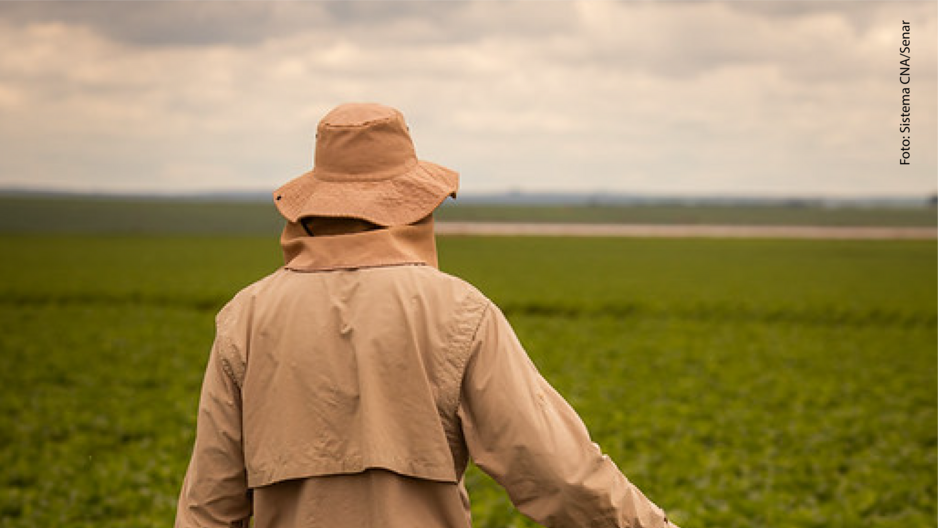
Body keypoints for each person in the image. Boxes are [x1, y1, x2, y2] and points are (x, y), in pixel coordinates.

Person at [174, 102, 680, 527]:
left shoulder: (245, 317)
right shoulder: (458, 311)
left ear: (315, 207)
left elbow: (208, 507)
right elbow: (561, 476)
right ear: (412, 205)